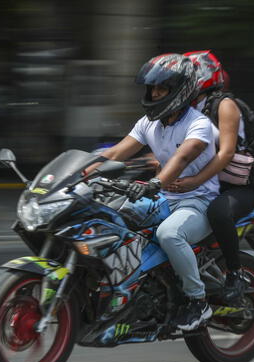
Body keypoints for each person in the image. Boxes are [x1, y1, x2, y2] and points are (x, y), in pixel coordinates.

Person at [91, 53, 219, 331]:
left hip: (197, 202)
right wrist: (81, 172)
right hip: (161, 198)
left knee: (169, 235)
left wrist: (156, 183)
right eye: (152, 88)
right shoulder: (149, 123)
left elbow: (182, 158)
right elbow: (115, 153)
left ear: (180, 91)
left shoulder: (199, 124)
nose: (155, 93)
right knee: (109, 218)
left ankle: (198, 301)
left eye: (162, 88)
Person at [166, 50, 254, 302]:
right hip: (204, 183)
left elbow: (226, 153)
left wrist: (194, 181)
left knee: (217, 211)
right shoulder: (186, 108)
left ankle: (235, 273)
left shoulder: (225, 105)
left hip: (234, 187)